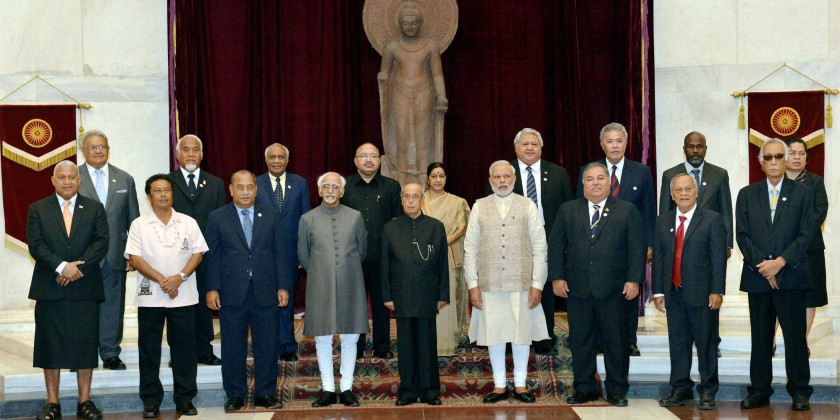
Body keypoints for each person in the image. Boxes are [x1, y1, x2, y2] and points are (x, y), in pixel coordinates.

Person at [550, 162, 645, 407]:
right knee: (581, 342)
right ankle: (584, 388)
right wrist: (557, 277)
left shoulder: (627, 210)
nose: (595, 183)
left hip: (615, 290)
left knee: (616, 342)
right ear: (583, 184)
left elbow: (637, 249)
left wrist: (634, 280)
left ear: (608, 182)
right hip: (577, 290)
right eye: (589, 179)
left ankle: (616, 389)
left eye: (600, 178)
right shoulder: (567, 210)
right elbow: (557, 246)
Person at [27, 160, 108, 420]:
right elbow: (36, 245)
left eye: (71, 177)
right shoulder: (38, 209)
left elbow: (101, 242)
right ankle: (53, 403)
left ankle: (85, 401)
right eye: (61, 177)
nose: (67, 181)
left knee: (85, 345)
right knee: (50, 346)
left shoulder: (94, 208)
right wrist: (62, 267)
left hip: (84, 287)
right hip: (50, 287)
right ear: (53, 180)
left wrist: (76, 270)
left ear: (79, 180)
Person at [736, 138, 813, 411]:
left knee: (794, 337)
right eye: (768, 157)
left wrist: (779, 262)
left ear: (785, 158)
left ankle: (800, 391)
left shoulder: (803, 193)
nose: (773, 162)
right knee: (760, 337)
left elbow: (806, 235)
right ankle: (759, 390)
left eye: (778, 156)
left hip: (791, 276)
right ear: (760, 161)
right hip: (758, 278)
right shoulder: (746, 194)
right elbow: (742, 235)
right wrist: (764, 265)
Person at [205, 170, 291, 411]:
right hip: (232, 293)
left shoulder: (271, 216)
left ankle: (265, 393)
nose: (245, 192)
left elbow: (280, 254)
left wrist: (283, 285)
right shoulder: (217, 217)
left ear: (256, 189)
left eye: (249, 187)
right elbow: (212, 256)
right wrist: (212, 288)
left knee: (267, 345)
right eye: (240, 187)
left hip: (266, 291)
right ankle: (235, 394)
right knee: (233, 347)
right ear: (231, 189)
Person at [464, 161, 549, 404]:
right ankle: (500, 384)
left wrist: (537, 283)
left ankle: (521, 384)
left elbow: (540, 246)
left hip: (522, 283)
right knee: (495, 333)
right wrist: (473, 285)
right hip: (489, 284)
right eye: (497, 177)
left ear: (514, 179)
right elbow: (470, 248)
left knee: (521, 333)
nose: (502, 180)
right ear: (490, 180)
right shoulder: (479, 206)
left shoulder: (528, 205)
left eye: (506, 176)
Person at [125, 174, 208, 417]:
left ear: (173, 194)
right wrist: (163, 280)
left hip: (183, 296)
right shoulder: (139, 224)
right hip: (150, 297)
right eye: (158, 191)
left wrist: (179, 278)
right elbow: (135, 259)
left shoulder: (188, 222)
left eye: (167, 190)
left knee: (184, 351)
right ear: (149, 196)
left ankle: (184, 399)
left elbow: (198, 254)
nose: (163, 195)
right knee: (149, 351)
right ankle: (151, 400)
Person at [579, 122, 655, 357]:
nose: (614, 146)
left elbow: (649, 210)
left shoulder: (641, 171)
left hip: (629, 247)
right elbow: (579, 209)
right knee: (599, 294)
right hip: (596, 247)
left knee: (629, 293)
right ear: (602, 145)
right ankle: (600, 340)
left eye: (619, 141)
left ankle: (629, 340)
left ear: (626, 143)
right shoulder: (589, 171)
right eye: (610, 141)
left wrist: (650, 243)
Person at [653, 174, 727, 410]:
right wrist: (657, 291)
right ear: (672, 195)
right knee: (678, 343)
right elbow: (659, 259)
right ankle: (680, 388)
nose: (683, 193)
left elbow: (718, 258)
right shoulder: (663, 220)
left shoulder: (712, 219)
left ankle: (707, 391)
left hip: (702, 294)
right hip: (673, 294)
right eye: (678, 190)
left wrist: (717, 290)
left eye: (688, 189)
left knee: (706, 344)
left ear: (696, 192)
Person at [498, 128, 573, 354]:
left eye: (534, 144)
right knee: (514, 291)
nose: (530, 148)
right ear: (516, 148)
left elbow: (568, 210)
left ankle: (543, 337)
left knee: (545, 289)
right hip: (512, 242)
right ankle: (513, 338)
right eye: (525, 144)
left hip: (549, 240)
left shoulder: (558, 173)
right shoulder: (504, 173)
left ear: (541, 148)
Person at [659, 131, 732, 358]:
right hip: (678, 246)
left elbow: (726, 211)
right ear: (684, 148)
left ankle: (712, 341)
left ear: (706, 148)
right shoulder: (669, 175)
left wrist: (727, 244)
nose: (695, 151)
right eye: (691, 147)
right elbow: (665, 211)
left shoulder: (719, 174)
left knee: (710, 295)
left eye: (700, 147)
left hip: (709, 245)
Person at [299, 172, 369, 408]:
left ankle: (347, 387)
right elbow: (304, 255)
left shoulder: (355, 216)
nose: (330, 191)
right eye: (325, 187)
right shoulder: (307, 219)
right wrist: (322, 271)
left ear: (342, 191)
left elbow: (362, 251)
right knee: (323, 337)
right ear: (319, 191)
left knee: (350, 337)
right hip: (320, 283)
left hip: (352, 282)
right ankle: (328, 388)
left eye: (335, 187)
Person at [77, 129, 140, 370]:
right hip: (82, 257)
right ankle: (83, 352)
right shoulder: (74, 177)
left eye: (102, 146)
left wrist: (133, 254)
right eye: (92, 147)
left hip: (115, 255)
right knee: (83, 306)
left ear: (108, 149)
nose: (98, 150)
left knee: (113, 305)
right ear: (83, 151)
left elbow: (134, 221)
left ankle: (110, 352)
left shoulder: (124, 179)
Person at [382, 182, 449, 406]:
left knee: (427, 343)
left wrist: (443, 294)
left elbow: (442, 265)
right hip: (401, 296)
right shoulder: (390, 228)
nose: (411, 201)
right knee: (406, 344)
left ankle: (430, 390)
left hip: (427, 294)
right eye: (407, 197)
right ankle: (408, 390)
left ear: (422, 200)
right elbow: (385, 266)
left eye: (415, 197)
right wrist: (387, 295)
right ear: (402, 200)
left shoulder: (435, 227)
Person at [168, 134, 226, 366]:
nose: (190, 154)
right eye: (186, 150)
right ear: (177, 154)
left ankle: (204, 349)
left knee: (204, 304)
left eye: (195, 150)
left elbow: (222, 220)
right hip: (176, 256)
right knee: (177, 307)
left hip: (207, 255)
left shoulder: (215, 183)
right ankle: (179, 353)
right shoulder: (167, 182)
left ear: (202, 155)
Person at [341, 143, 403, 359]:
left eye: (373, 156)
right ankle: (355, 348)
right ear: (355, 160)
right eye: (363, 156)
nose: (368, 160)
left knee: (381, 303)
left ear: (379, 160)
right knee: (354, 304)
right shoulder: (344, 186)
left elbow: (398, 223)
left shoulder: (392, 187)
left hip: (382, 256)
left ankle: (382, 347)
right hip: (351, 257)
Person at [378, 1, 448, 183]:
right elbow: (384, 71)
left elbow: (437, 74)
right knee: (402, 138)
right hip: (399, 96)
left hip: (424, 95)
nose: (410, 27)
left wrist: (441, 95)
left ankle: (425, 183)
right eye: (406, 23)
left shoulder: (430, 45)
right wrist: (382, 75)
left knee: (423, 139)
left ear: (420, 23)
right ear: (399, 24)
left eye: (414, 23)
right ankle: (401, 183)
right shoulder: (392, 47)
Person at [255, 143, 311, 362]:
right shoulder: (256, 183)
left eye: (280, 157)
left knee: (285, 301)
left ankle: (287, 345)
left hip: (290, 254)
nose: (276, 161)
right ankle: (268, 344)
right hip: (261, 254)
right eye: (272, 157)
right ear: (266, 160)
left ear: (287, 160)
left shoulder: (300, 183)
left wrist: (303, 254)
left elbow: (306, 219)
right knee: (265, 302)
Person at [773, 137, 828, 351]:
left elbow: (819, 214)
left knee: (809, 297)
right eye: (792, 153)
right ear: (785, 157)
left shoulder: (816, 182)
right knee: (776, 295)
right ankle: (770, 339)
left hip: (809, 250)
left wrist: (798, 237)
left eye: (801, 153)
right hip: (779, 251)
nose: (797, 157)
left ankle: (800, 341)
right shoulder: (776, 181)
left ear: (806, 157)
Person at [422, 162, 469, 356]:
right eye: (434, 176)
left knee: (448, 299)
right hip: (422, 256)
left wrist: (440, 244)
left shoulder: (458, 202)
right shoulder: (419, 200)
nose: (438, 180)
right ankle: (427, 342)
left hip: (448, 256)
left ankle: (449, 343)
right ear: (428, 179)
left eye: (441, 175)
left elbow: (461, 228)